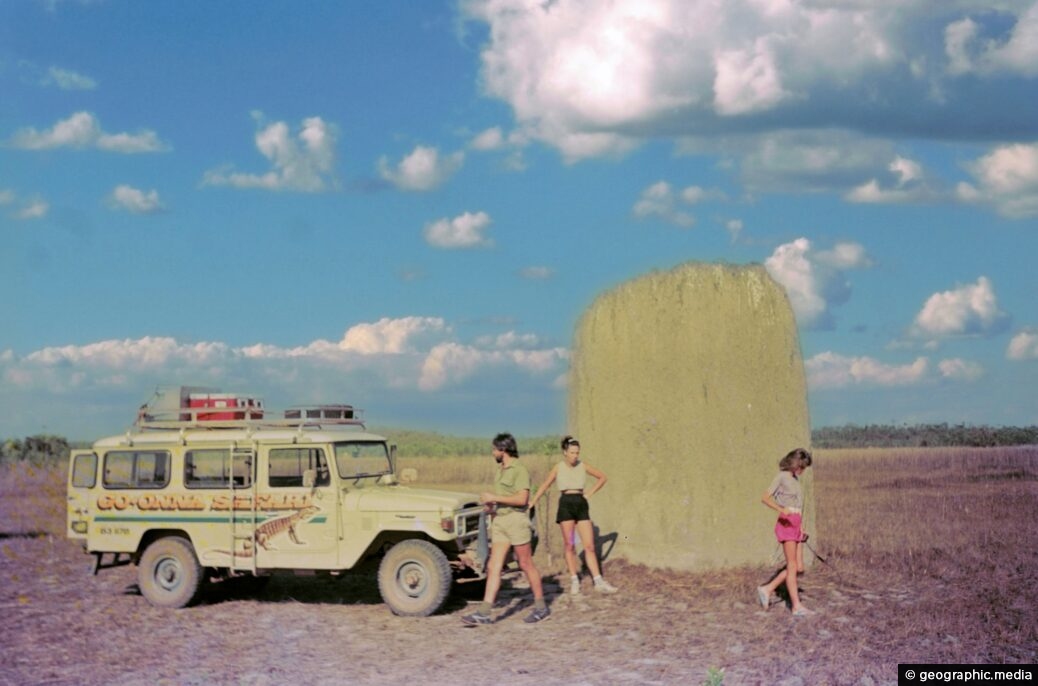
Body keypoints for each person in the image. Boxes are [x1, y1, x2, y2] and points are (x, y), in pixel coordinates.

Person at [461, 433, 550, 625]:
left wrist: (495, 498)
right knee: (494, 566)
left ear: (503, 450)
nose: (492, 453)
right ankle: (484, 613)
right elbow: (503, 497)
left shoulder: (520, 470)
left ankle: (541, 607)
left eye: (494, 449)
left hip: (516, 521)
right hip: (500, 522)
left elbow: (522, 499)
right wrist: (491, 507)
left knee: (525, 564)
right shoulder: (500, 470)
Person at [531, 435, 618, 595]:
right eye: (572, 452)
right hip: (566, 506)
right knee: (570, 545)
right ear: (565, 452)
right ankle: (574, 580)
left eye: (577, 453)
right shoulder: (558, 467)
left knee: (589, 546)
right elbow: (545, 485)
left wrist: (589, 493)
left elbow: (602, 477)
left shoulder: (583, 466)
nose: (575, 456)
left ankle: (598, 581)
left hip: (581, 505)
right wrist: (532, 501)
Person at [757, 447, 814, 616]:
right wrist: (782, 510)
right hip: (787, 523)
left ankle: (767, 588)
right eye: (802, 467)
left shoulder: (795, 479)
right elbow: (765, 498)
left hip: (796, 523)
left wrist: (801, 527)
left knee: (799, 567)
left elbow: (798, 505)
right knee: (792, 566)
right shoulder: (781, 476)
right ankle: (796, 606)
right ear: (795, 463)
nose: (803, 470)